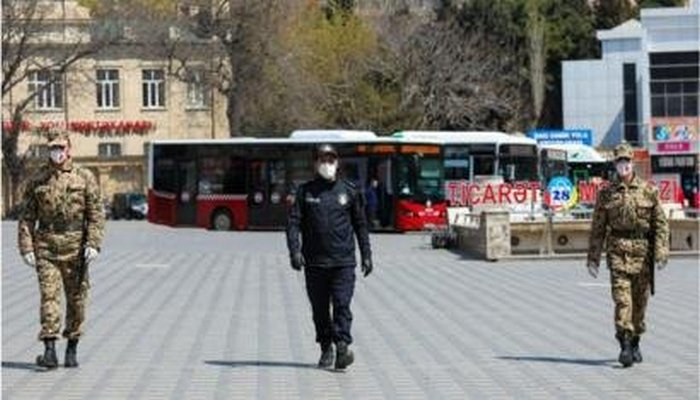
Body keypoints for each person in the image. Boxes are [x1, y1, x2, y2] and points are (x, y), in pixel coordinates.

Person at [18, 129, 105, 369]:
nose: (57, 153)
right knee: (50, 298)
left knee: (77, 300)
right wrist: (26, 247)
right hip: (46, 247)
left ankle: (72, 347)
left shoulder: (84, 178)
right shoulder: (37, 180)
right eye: (53, 148)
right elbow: (26, 217)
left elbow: (96, 214)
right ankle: (49, 350)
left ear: (69, 149)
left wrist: (93, 243)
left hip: (76, 248)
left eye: (61, 148)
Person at [286, 143, 373, 370]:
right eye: (322, 160)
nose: (327, 164)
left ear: (337, 162)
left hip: (343, 262)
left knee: (342, 305)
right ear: (315, 164)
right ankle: (326, 347)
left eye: (331, 159)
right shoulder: (305, 192)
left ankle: (342, 346)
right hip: (315, 263)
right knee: (320, 310)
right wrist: (294, 251)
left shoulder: (349, 191)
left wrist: (367, 254)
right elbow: (293, 224)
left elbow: (360, 225)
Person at [586, 142, 669, 368]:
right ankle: (624, 345)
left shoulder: (649, 190)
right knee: (622, 301)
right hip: (618, 253)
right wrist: (593, 258)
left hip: (643, 255)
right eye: (619, 161)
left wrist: (661, 251)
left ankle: (636, 340)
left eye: (627, 161)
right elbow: (598, 228)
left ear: (633, 163)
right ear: (615, 164)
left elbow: (661, 224)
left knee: (639, 304)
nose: (623, 165)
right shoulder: (606, 193)